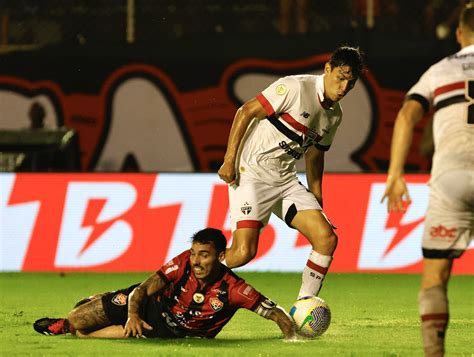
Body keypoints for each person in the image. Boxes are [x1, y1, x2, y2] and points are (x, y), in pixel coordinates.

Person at [218, 46, 365, 300]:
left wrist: (317, 196)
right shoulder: (295, 88)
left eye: (350, 83)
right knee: (242, 253)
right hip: (252, 172)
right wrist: (229, 159)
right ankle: (187, 274)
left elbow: (316, 153)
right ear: (327, 69)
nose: (343, 88)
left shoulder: (334, 116)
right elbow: (246, 111)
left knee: (326, 239)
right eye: (340, 78)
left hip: (285, 180)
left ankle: (304, 308)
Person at [382, 4, 474, 356]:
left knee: (435, 278)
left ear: (459, 33)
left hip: (450, 178)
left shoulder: (441, 68)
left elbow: (407, 113)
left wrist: (395, 174)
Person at [33, 228, 296, 340]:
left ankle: (74, 329)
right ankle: (68, 323)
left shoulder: (234, 288)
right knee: (78, 318)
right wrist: (133, 313)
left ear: (220, 256)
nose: (196, 261)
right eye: (194, 253)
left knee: (87, 334)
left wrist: (293, 336)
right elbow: (146, 288)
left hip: (168, 332)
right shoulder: (182, 263)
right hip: (148, 306)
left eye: (204, 255)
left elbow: (276, 313)